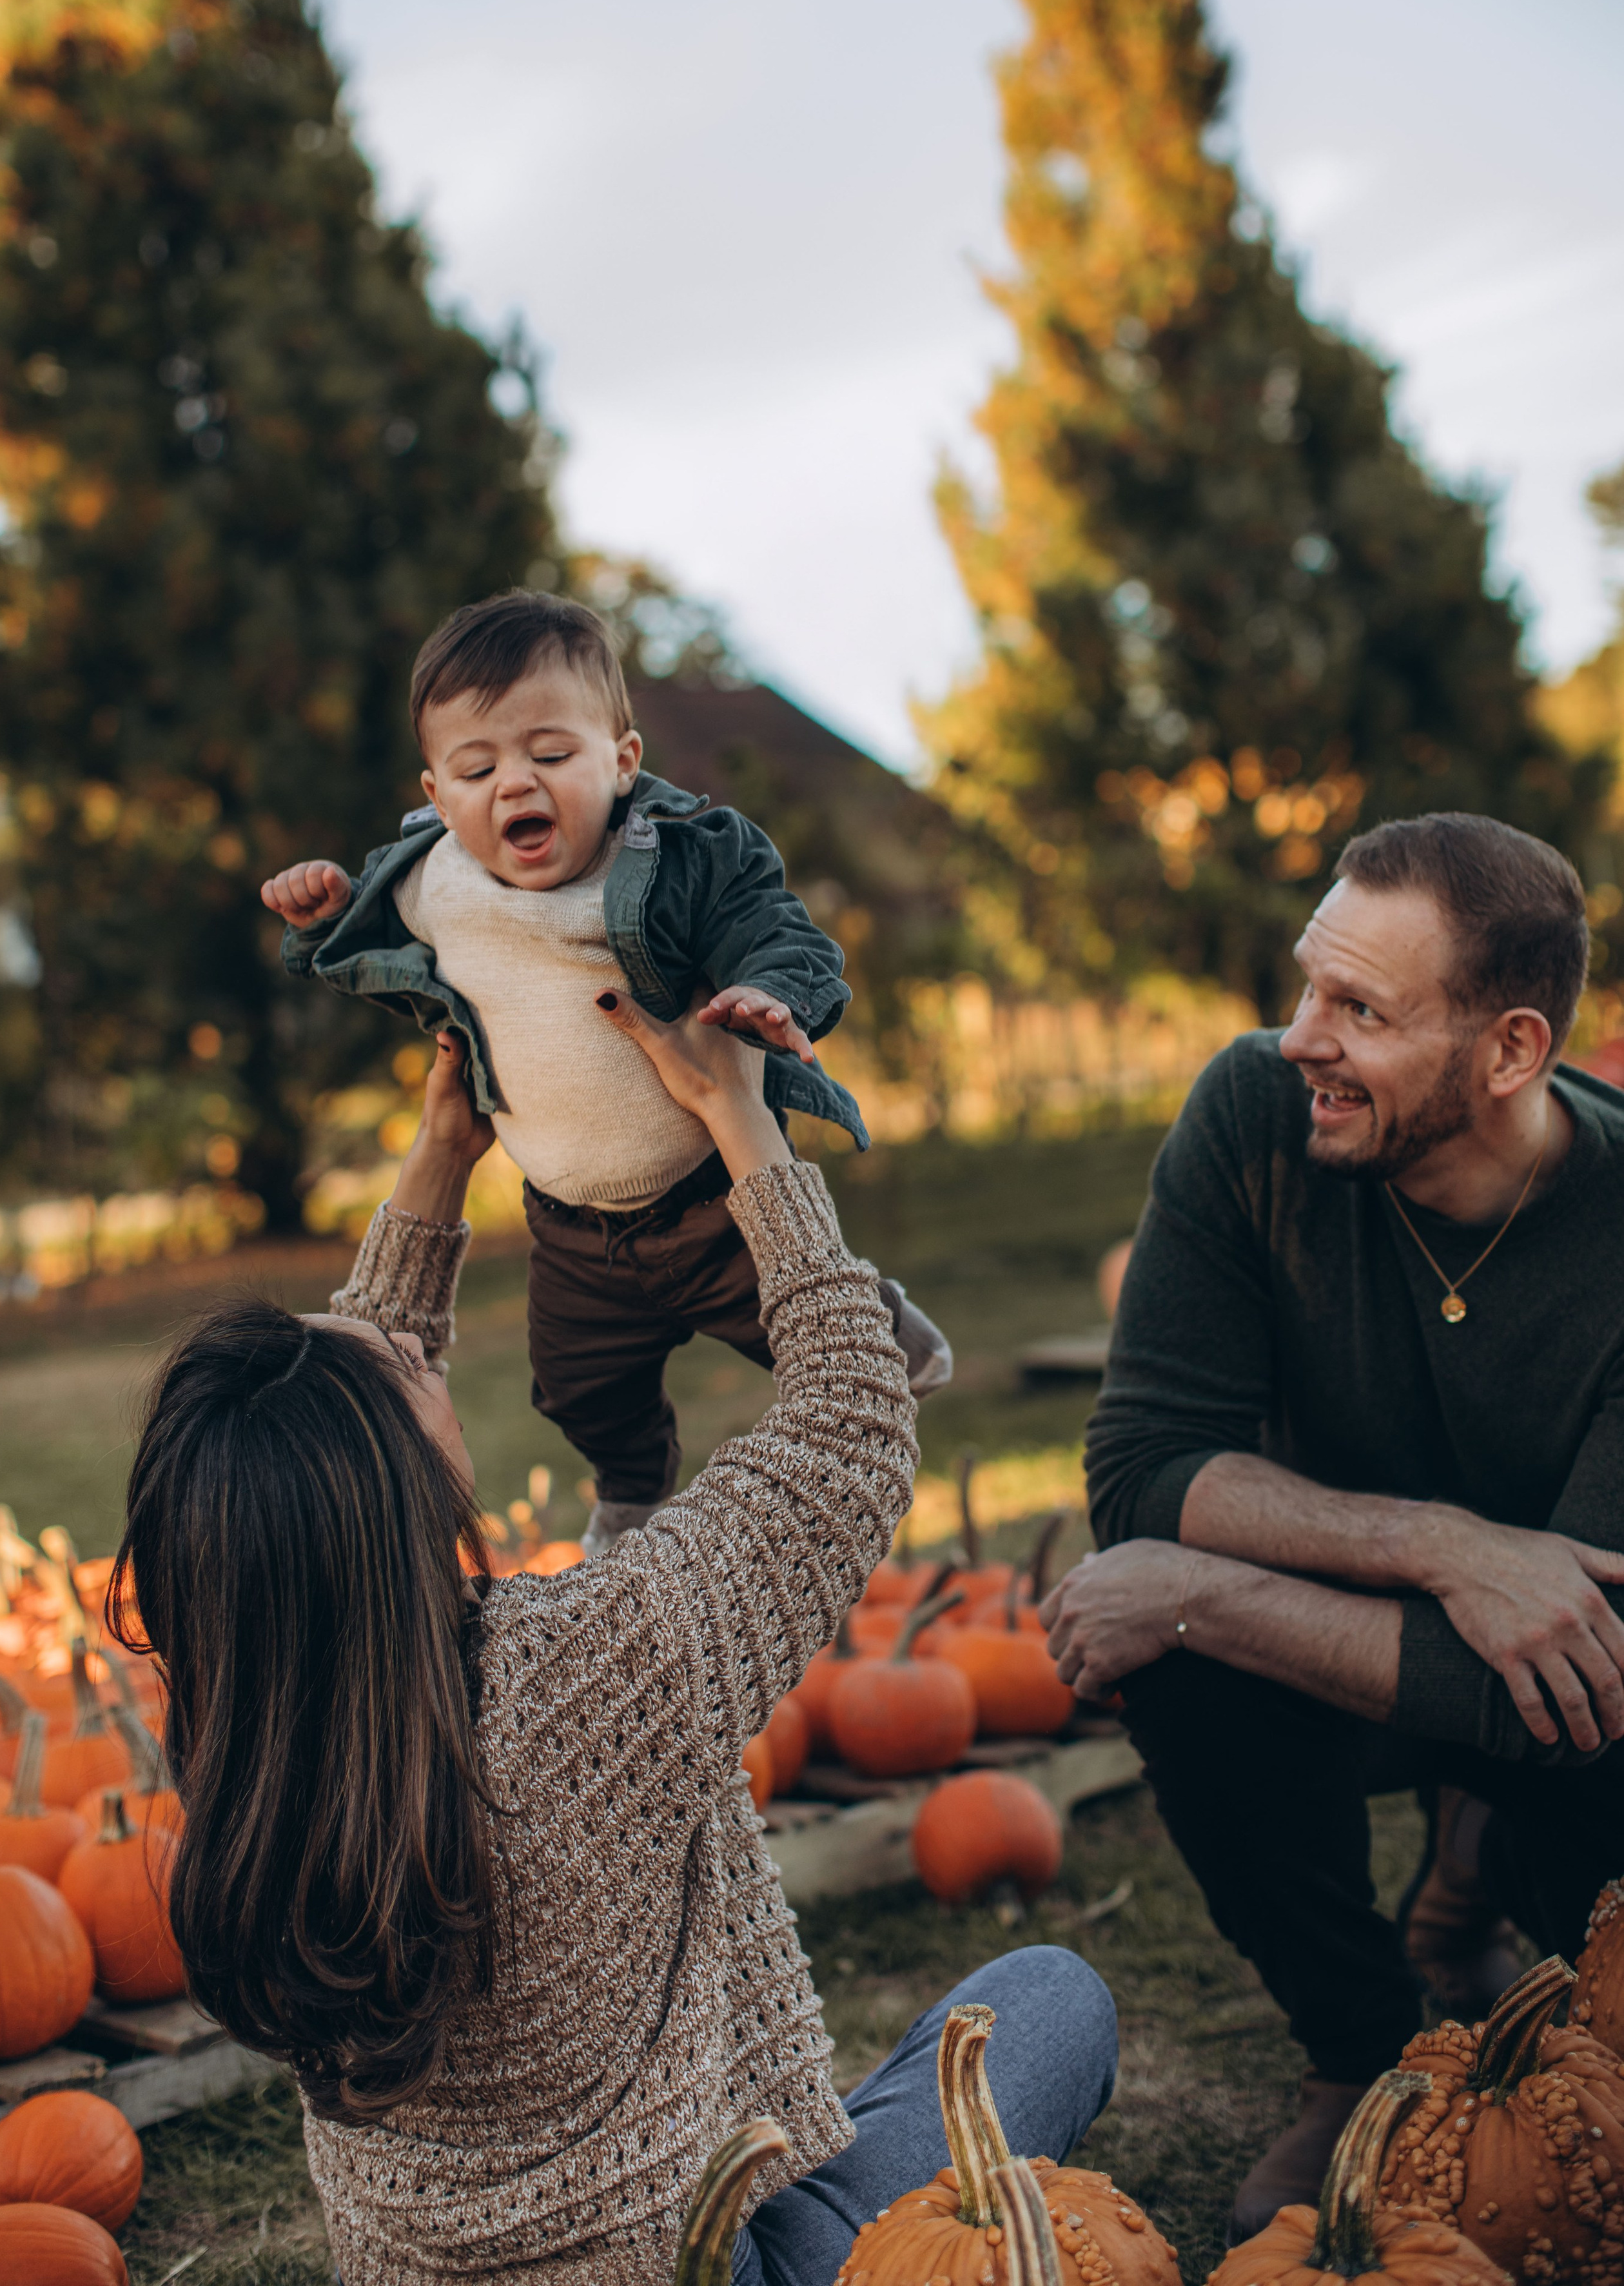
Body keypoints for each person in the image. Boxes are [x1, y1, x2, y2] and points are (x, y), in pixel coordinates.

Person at [114, 1004, 1116, 2285]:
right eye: (403, 1368)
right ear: (410, 1479)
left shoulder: (230, 1724)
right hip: (687, 2265)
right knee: (1049, 2003)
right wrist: (741, 1126)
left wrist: (439, 1156)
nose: (407, 1340)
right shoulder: (587, 1674)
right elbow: (849, 1428)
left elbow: (331, 1453)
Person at [1037, 812, 1624, 2242]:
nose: (1299, 1036)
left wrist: (1202, 1588)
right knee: (1168, 1657)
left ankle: (1479, 1872)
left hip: (1574, 1714)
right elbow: (1143, 1462)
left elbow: (1577, 1660)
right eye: (1309, 985)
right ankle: (1356, 2047)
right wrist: (1444, 1544)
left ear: (1507, 1052)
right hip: (1367, 1660)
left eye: (1358, 1009)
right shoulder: (1253, 1113)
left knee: (1583, 1959)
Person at [260, 588, 949, 1552]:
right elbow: (355, 942)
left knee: (796, 1329)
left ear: (622, 761)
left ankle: (875, 1323)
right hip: (571, 1225)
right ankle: (632, 1488)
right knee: (577, 1387)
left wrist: (765, 993)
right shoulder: (429, 883)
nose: (514, 785)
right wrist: (321, 911)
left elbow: (776, 927)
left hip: (708, 1197)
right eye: (478, 767)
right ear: (436, 795)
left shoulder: (681, 856)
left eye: (551, 756)